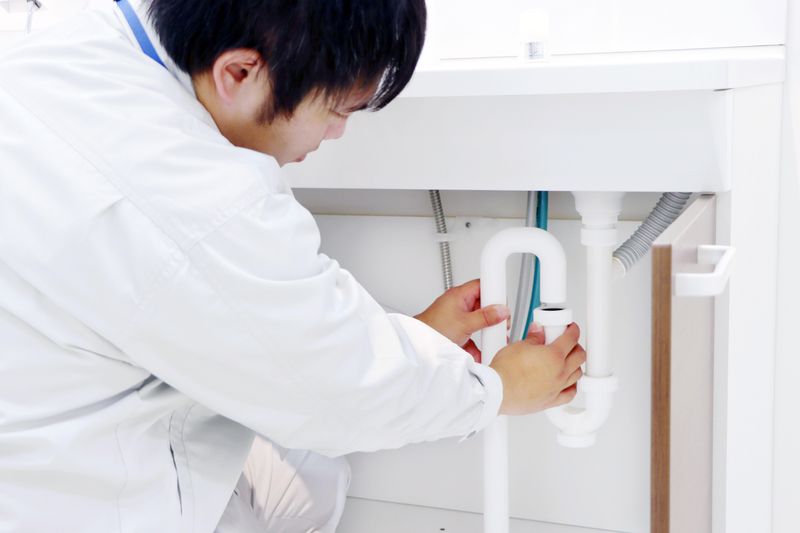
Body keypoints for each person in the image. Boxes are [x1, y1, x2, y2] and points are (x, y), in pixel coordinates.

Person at [0, 0, 586, 531]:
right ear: (239, 73)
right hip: (70, 501)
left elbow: (249, 328)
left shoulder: (75, 48)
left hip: (46, 433)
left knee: (307, 473)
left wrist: (409, 340)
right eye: (335, 109)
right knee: (306, 481)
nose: (338, 132)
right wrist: (499, 388)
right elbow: (336, 397)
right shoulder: (200, 199)